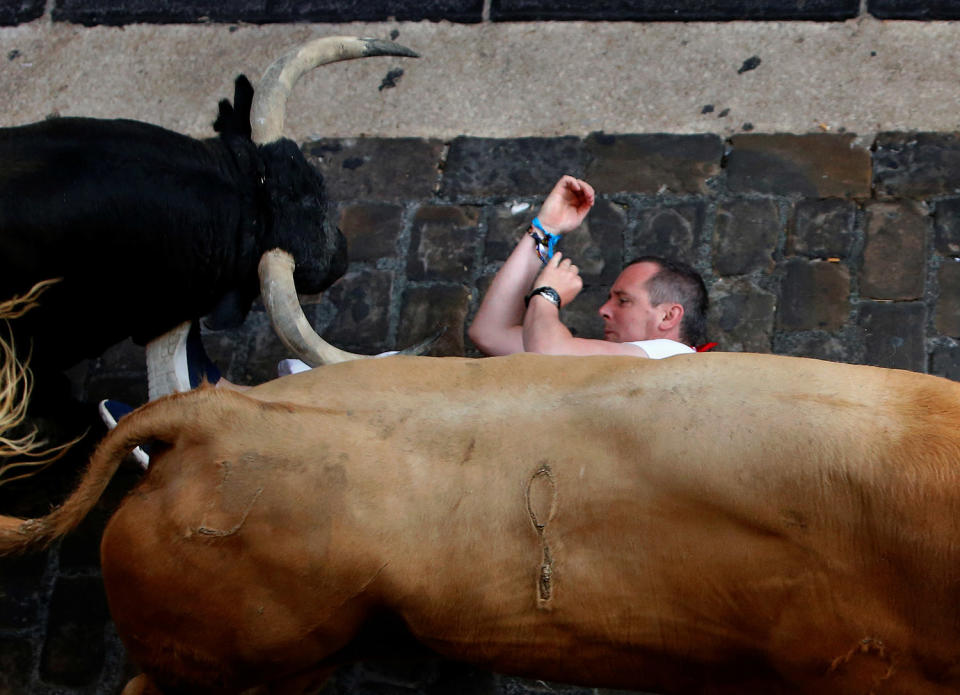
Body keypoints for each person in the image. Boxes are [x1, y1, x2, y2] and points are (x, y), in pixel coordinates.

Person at [468, 175, 709, 359]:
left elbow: (550, 355)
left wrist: (547, 295)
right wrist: (545, 229)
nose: (603, 310)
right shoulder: (621, 357)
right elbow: (490, 333)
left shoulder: (669, 354)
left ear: (668, 316)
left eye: (623, 300)